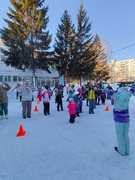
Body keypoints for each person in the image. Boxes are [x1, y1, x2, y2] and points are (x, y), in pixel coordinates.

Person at [110, 83, 135, 156]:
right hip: (126, 118)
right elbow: (133, 89)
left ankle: (122, 151)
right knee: (125, 134)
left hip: (118, 118)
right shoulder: (128, 94)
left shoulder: (117, 96)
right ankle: (127, 150)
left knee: (120, 135)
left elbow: (108, 92)